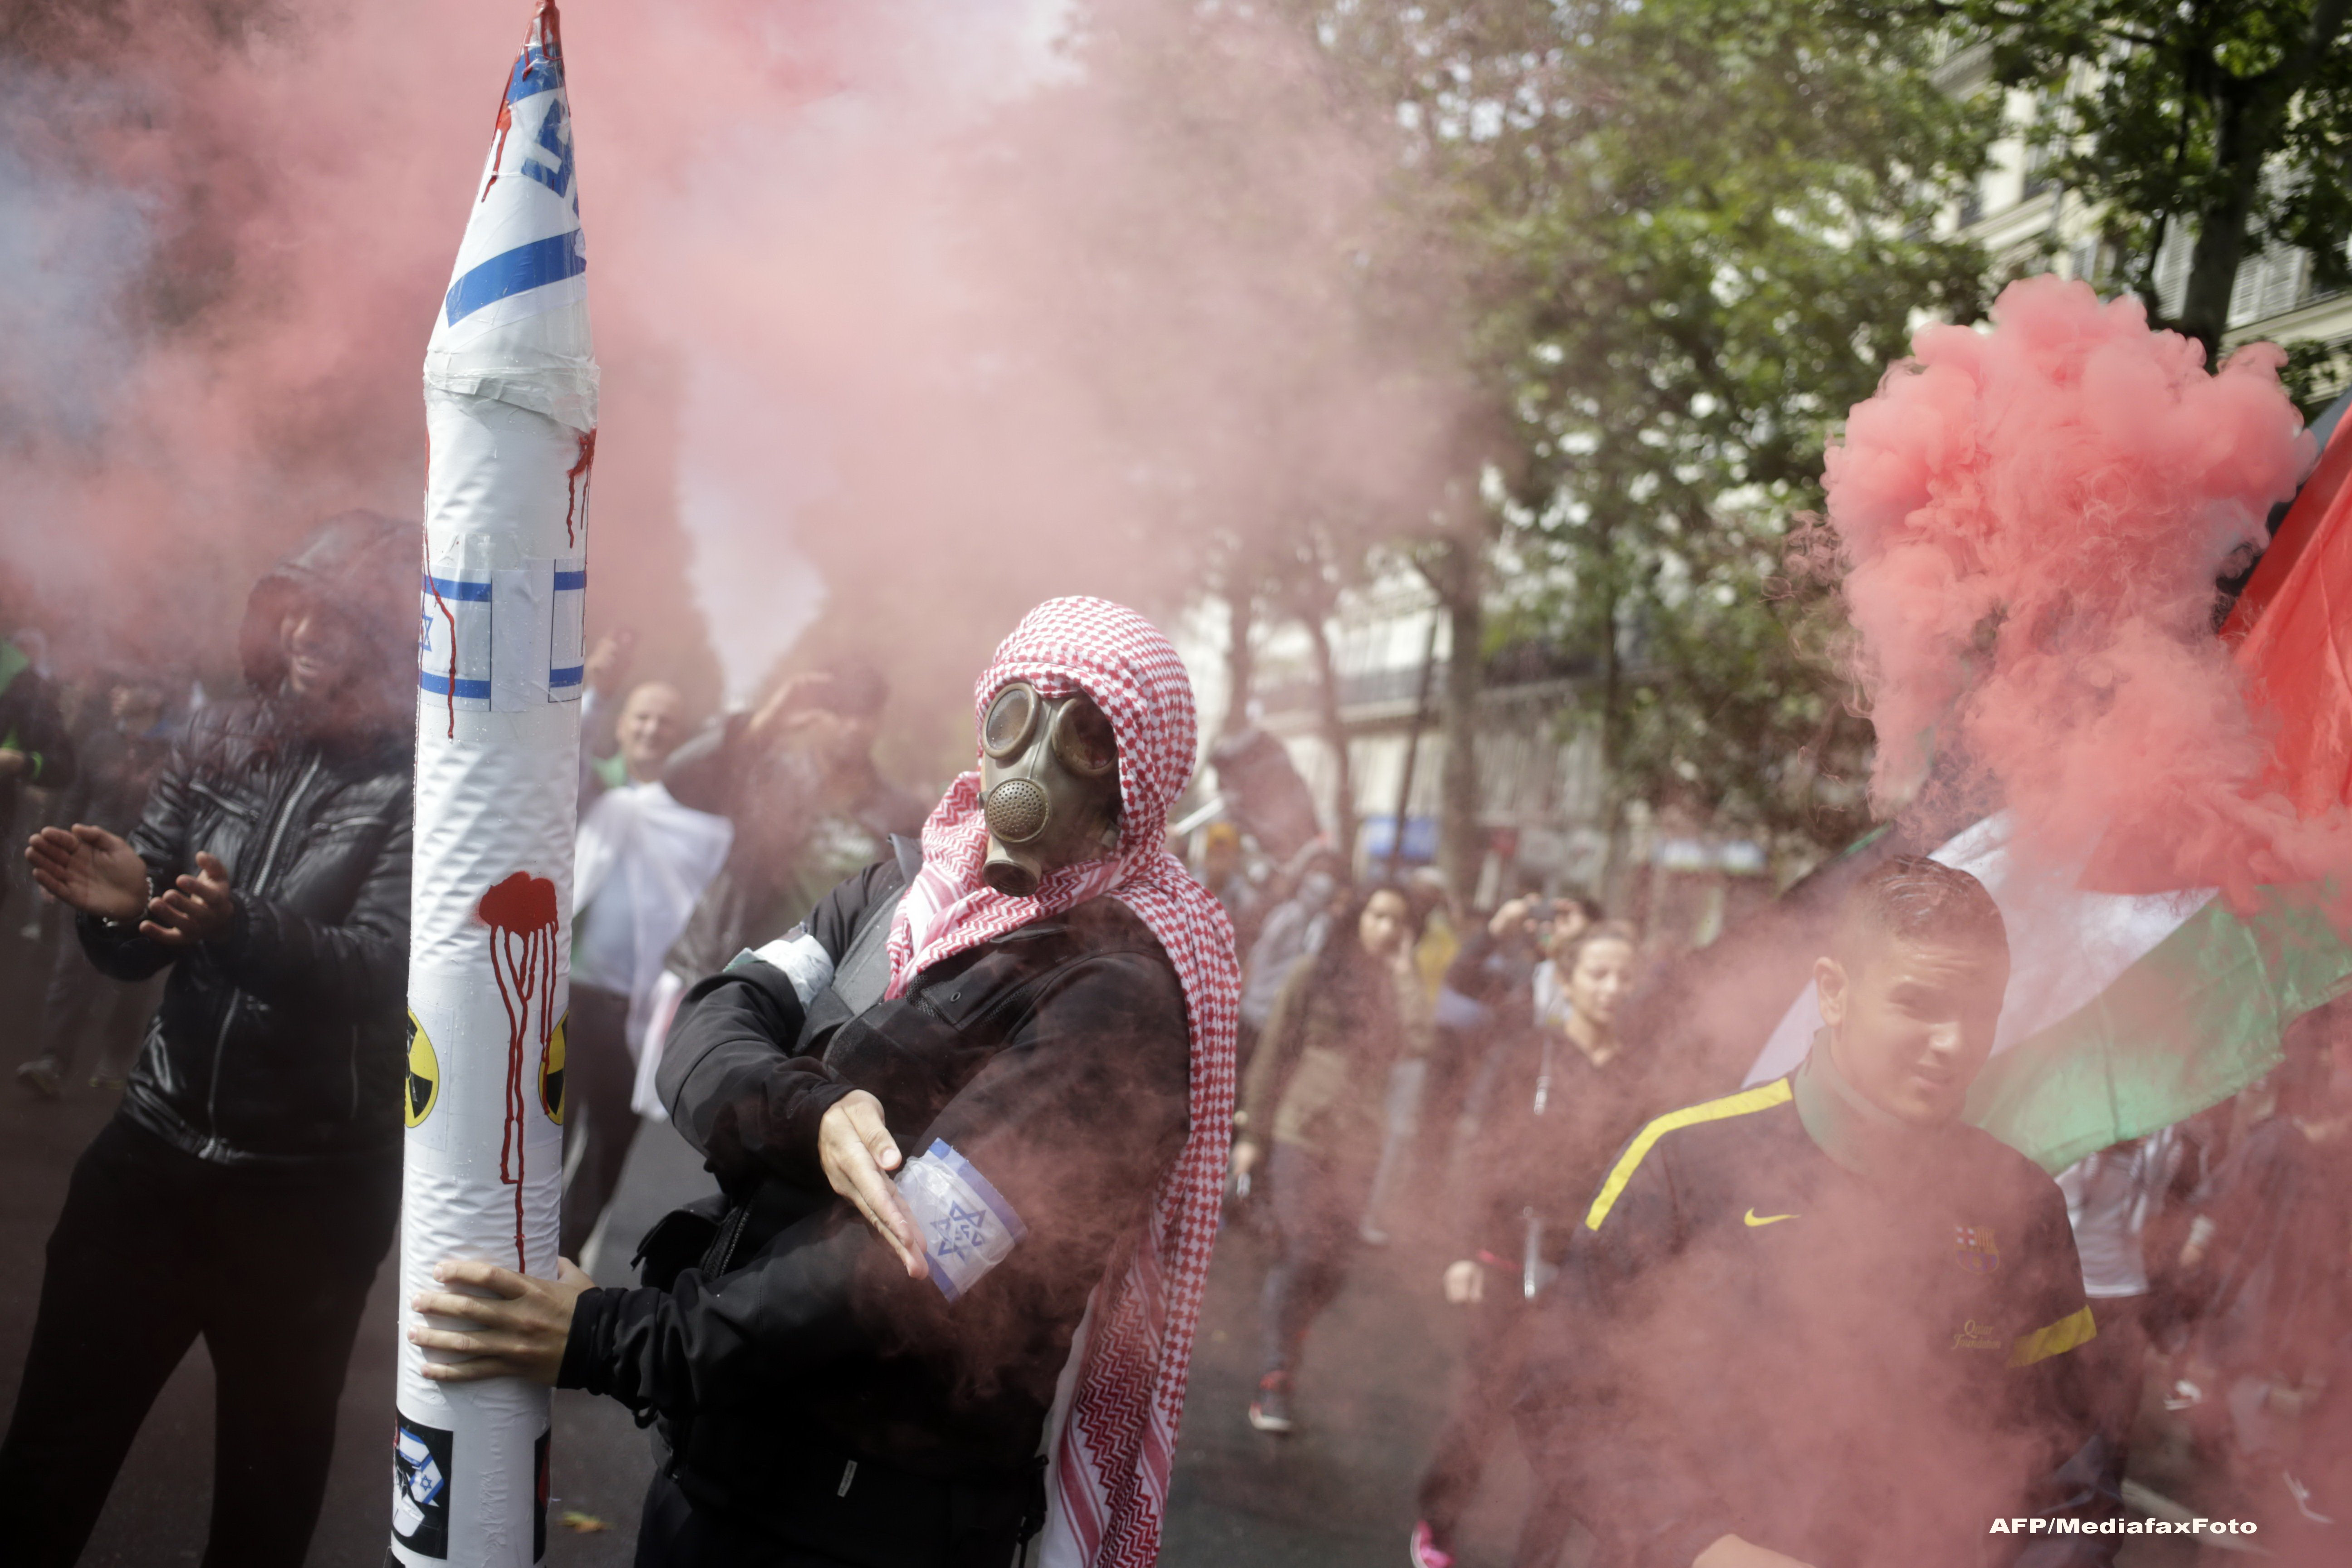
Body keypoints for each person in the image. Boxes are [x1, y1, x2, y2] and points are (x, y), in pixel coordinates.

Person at [405, 597, 1242, 1568]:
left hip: (866, 1527)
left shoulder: (1117, 1001)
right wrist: (815, 1114)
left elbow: (908, 1266)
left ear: (1132, 783)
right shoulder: (895, 892)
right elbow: (710, 1023)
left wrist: (615, 1343)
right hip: (722, 1473)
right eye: (1018, 713)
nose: (1037, 756)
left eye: (1087, 735)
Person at [0, 511, 414, 1568]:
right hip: (152, 1152)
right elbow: (136, 942)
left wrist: (239, 925)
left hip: (311, 1197)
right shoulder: (218, 732)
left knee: (263, 1507)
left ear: (400, 635)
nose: (311, 629)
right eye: (298, 604)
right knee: (45, 1463)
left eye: (347, 614)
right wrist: (115, 907)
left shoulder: (424, 780)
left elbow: (381, 972)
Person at [1514, 856, 2115, 1568]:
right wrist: (1705, 1549)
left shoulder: (2022, 1200)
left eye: (1981, 1011)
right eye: (1919, 1004)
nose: (1955, 1044)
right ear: (1833, 991)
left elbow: (2065, 1462)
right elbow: (1563, 1392)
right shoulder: (1684, 1159)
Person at [1411, 919, 1650, 1568]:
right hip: (1511, 1251)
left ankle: (1538, 1554)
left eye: (1624, 977)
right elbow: (1482, 1156)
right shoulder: (1525, 1056)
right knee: (1483, 1403)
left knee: (1573, 1419)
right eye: (1598, 974)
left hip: (1591, 1269)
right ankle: (1438, 1521)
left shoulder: (1641, 1073)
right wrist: (1465, 1251)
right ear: (1567, 981)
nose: (1611, 988)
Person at [1231, 882, 1421, 1434]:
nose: (1387, 929)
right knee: (1305, 1251)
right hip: (1300, 1129)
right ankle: (1275, 1376)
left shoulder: (1394, 986)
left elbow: (1420, 1041)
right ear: (1359, 918)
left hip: (1359, 1142)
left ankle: (1289, 1337)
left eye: (1398, 921)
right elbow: (1274, 1054)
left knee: (1334, 1267)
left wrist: (1407, 974)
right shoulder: (1311, 972)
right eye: (1380, 915)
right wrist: (1253, 1134)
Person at [2166, 1003, 2352, 1553]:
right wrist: (2195, 1253)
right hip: (2252, 1289)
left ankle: (2236, 1477)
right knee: (2248, 1383)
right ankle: (2247, 1489)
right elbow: (2221, 1201)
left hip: (2290, 1297)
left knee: (2250, 1380)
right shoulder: (2275, 1142)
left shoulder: (2332, 1161)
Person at [564, 678, 731, 1259]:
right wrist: (594, 694)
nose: (652, 730)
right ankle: (514, 1252)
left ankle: (558, 1266)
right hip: (568, 1002)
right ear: (621, 724)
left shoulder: (699, 822)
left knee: (606, 1154)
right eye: (642, 718)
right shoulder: (592, 787)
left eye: (665, 722)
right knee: (544, 1140)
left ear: (680, 738)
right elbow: (565, 753)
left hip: (635, 1017)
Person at [15, 676, 174, 1096]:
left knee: (132, 981)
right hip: (89, 876)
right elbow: (73, 802)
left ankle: (117, 1063)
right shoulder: (101, 743)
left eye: (130, 684)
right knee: (72, 967)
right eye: (116, 686)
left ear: (156, 693)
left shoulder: (177, 755)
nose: (117, 691)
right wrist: (58, 861)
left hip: (146, 882)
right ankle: (52, 1061)